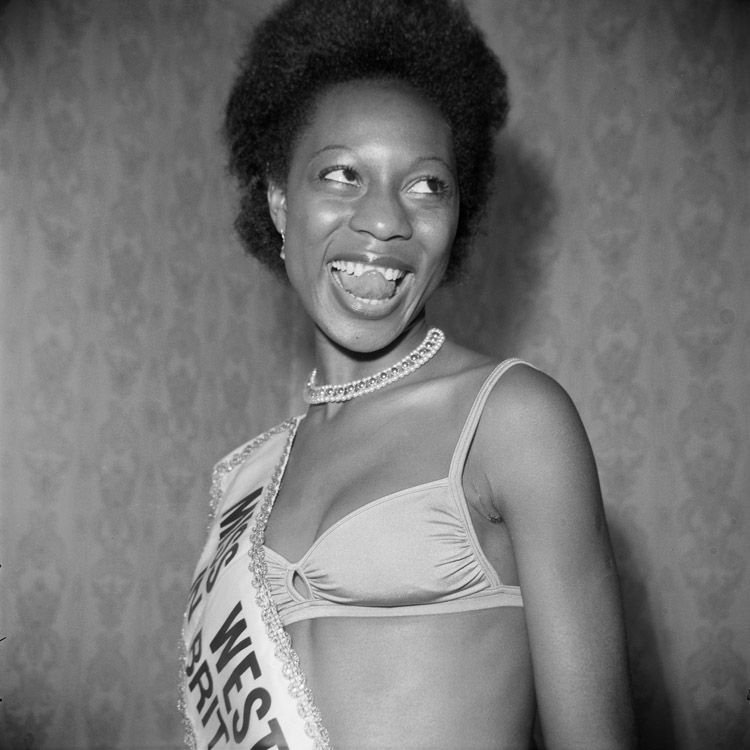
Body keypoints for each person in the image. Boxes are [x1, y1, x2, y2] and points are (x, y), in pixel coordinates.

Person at [180, 1, 636, 748]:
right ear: (278, 200)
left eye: (427, 186)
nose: (387, 220)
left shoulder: (513, 419)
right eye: (341, 175)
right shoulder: (248, 478)